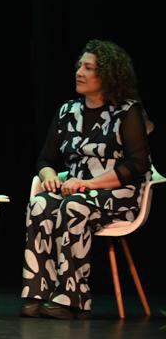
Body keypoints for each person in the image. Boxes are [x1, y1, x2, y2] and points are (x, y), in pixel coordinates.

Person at [22, 40, 152, 319]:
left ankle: (73, 297)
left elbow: (138, 165)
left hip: (118, 193)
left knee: (74, 206)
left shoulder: (127, 113)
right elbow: (46, 160)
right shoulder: (68, 111)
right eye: (80, 65)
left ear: (107, 75)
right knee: (41, 204)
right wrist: (48, 178)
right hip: (77, 190)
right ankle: (38, 291)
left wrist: (88, 185)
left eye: (88, 67)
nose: (79, 72)